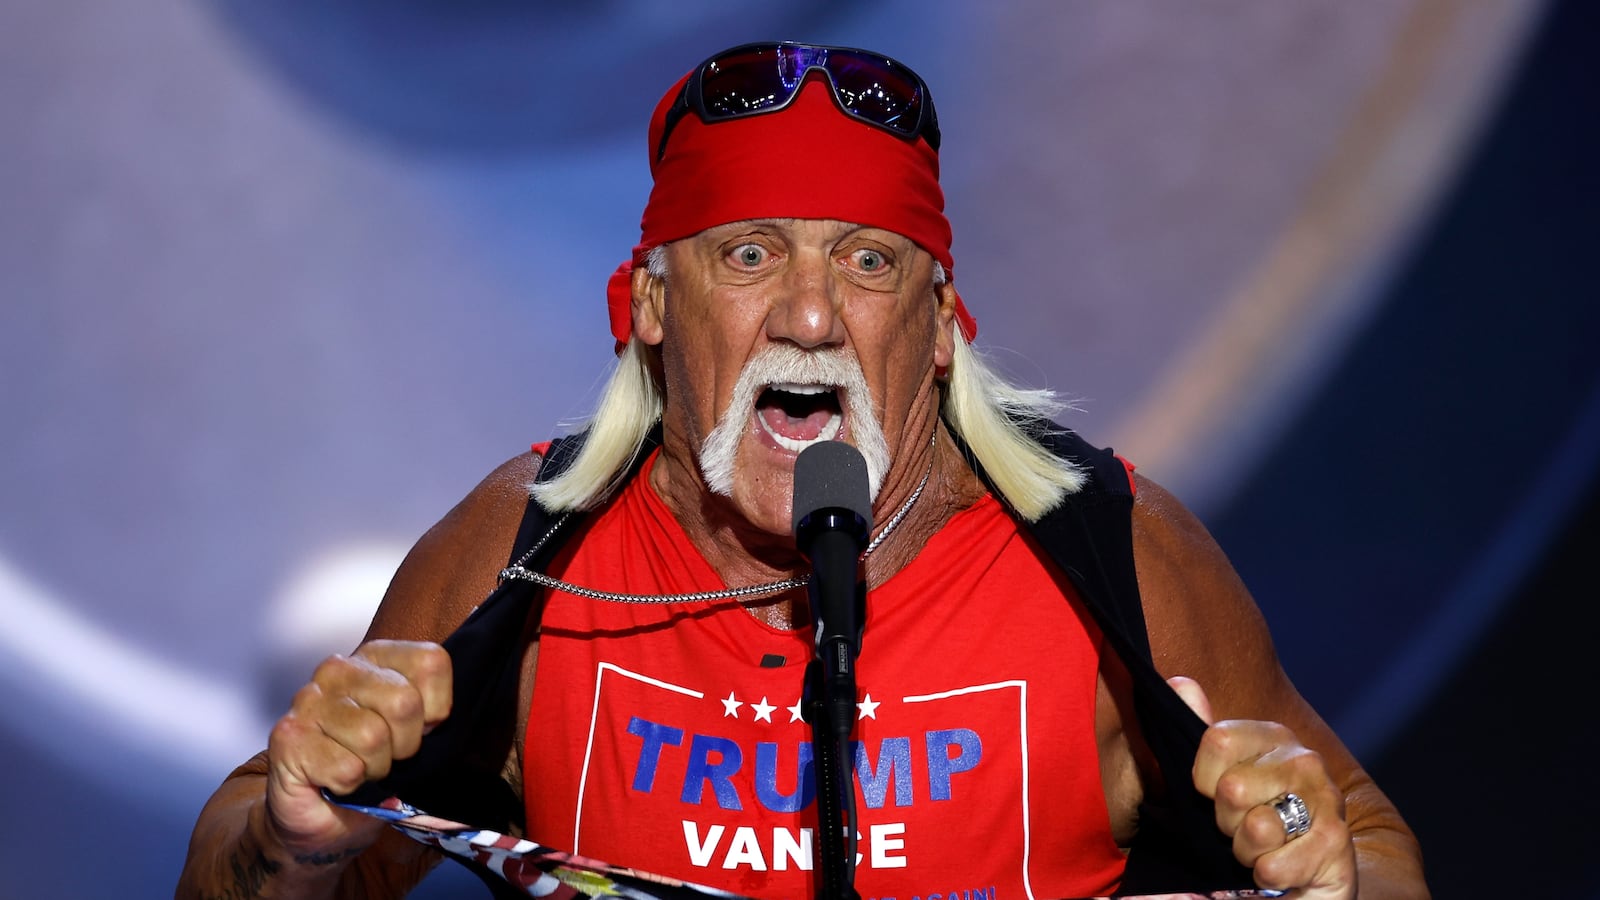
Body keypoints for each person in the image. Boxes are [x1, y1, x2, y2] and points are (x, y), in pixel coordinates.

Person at [178, 41, 1428, 900]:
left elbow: (1366, 844)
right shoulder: (528, 550)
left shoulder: (1101, 550)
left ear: (940, 326)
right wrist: (300, 841)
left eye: (871, 265)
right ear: (655, 305)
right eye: (751, 256)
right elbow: (239, 870)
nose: (815, 317)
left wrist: (1322, 860)